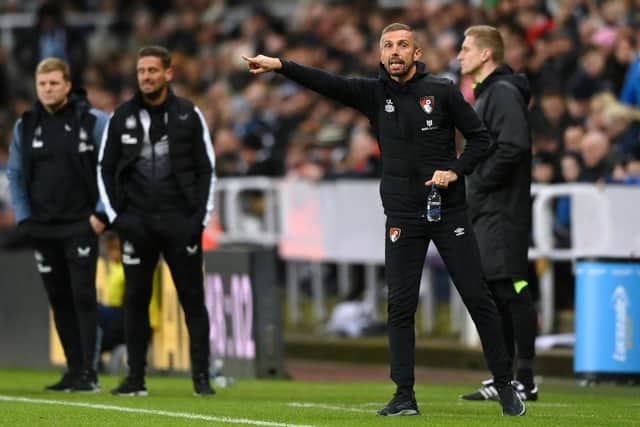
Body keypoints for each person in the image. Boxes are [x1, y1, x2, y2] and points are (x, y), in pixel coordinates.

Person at [243, 22, 525, 417]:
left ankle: (503, 383)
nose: (395, 52)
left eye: (403, 45)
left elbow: (481, 138)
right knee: (400, 306)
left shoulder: (441, 91)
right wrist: (280, 66)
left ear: (417, 53)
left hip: (447, 211)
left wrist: (456, 170)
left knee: (477, 297)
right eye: (388, 46)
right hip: (403, 216)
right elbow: (327, 82)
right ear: (380, 55)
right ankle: (404, 395)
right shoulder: (373, 94)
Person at [98, 45, 216, 396]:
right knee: (135, 300)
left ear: (168, 73)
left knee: (192, 299)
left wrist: (198, 221)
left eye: (152, 70)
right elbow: (104, 169)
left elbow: (207, 167)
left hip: (181, 223)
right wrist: (119, 219)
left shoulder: (188, 114)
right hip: (137, 225)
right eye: (141, 71)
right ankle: (135, 379)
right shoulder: (121, 117)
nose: (146, 77)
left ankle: (201, 379)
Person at [7, 57, 108, 392]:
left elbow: (111, 169)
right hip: (43, 227)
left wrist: (101, 213)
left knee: (83, 295)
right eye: (42, 84)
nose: (48, 89)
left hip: (81, 223)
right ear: (37, 87)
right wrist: (24, 218)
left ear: (67, 84)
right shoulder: (27, 124)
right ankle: (73, 368)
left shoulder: (91, 120)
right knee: (58, 298)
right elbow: (17, 175)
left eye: (54, 83)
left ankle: (89, 373)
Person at [457, 25, 539, 401]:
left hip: (502, 210)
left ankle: (524, 379)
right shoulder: (491, 94)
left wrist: (480, 183)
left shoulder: (501, 93)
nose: (460, 55)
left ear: (486, 54)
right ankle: (505, 378)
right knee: (496, 289)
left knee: (512, 288)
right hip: (491, 208)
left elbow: (513, 146)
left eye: (467, 48)